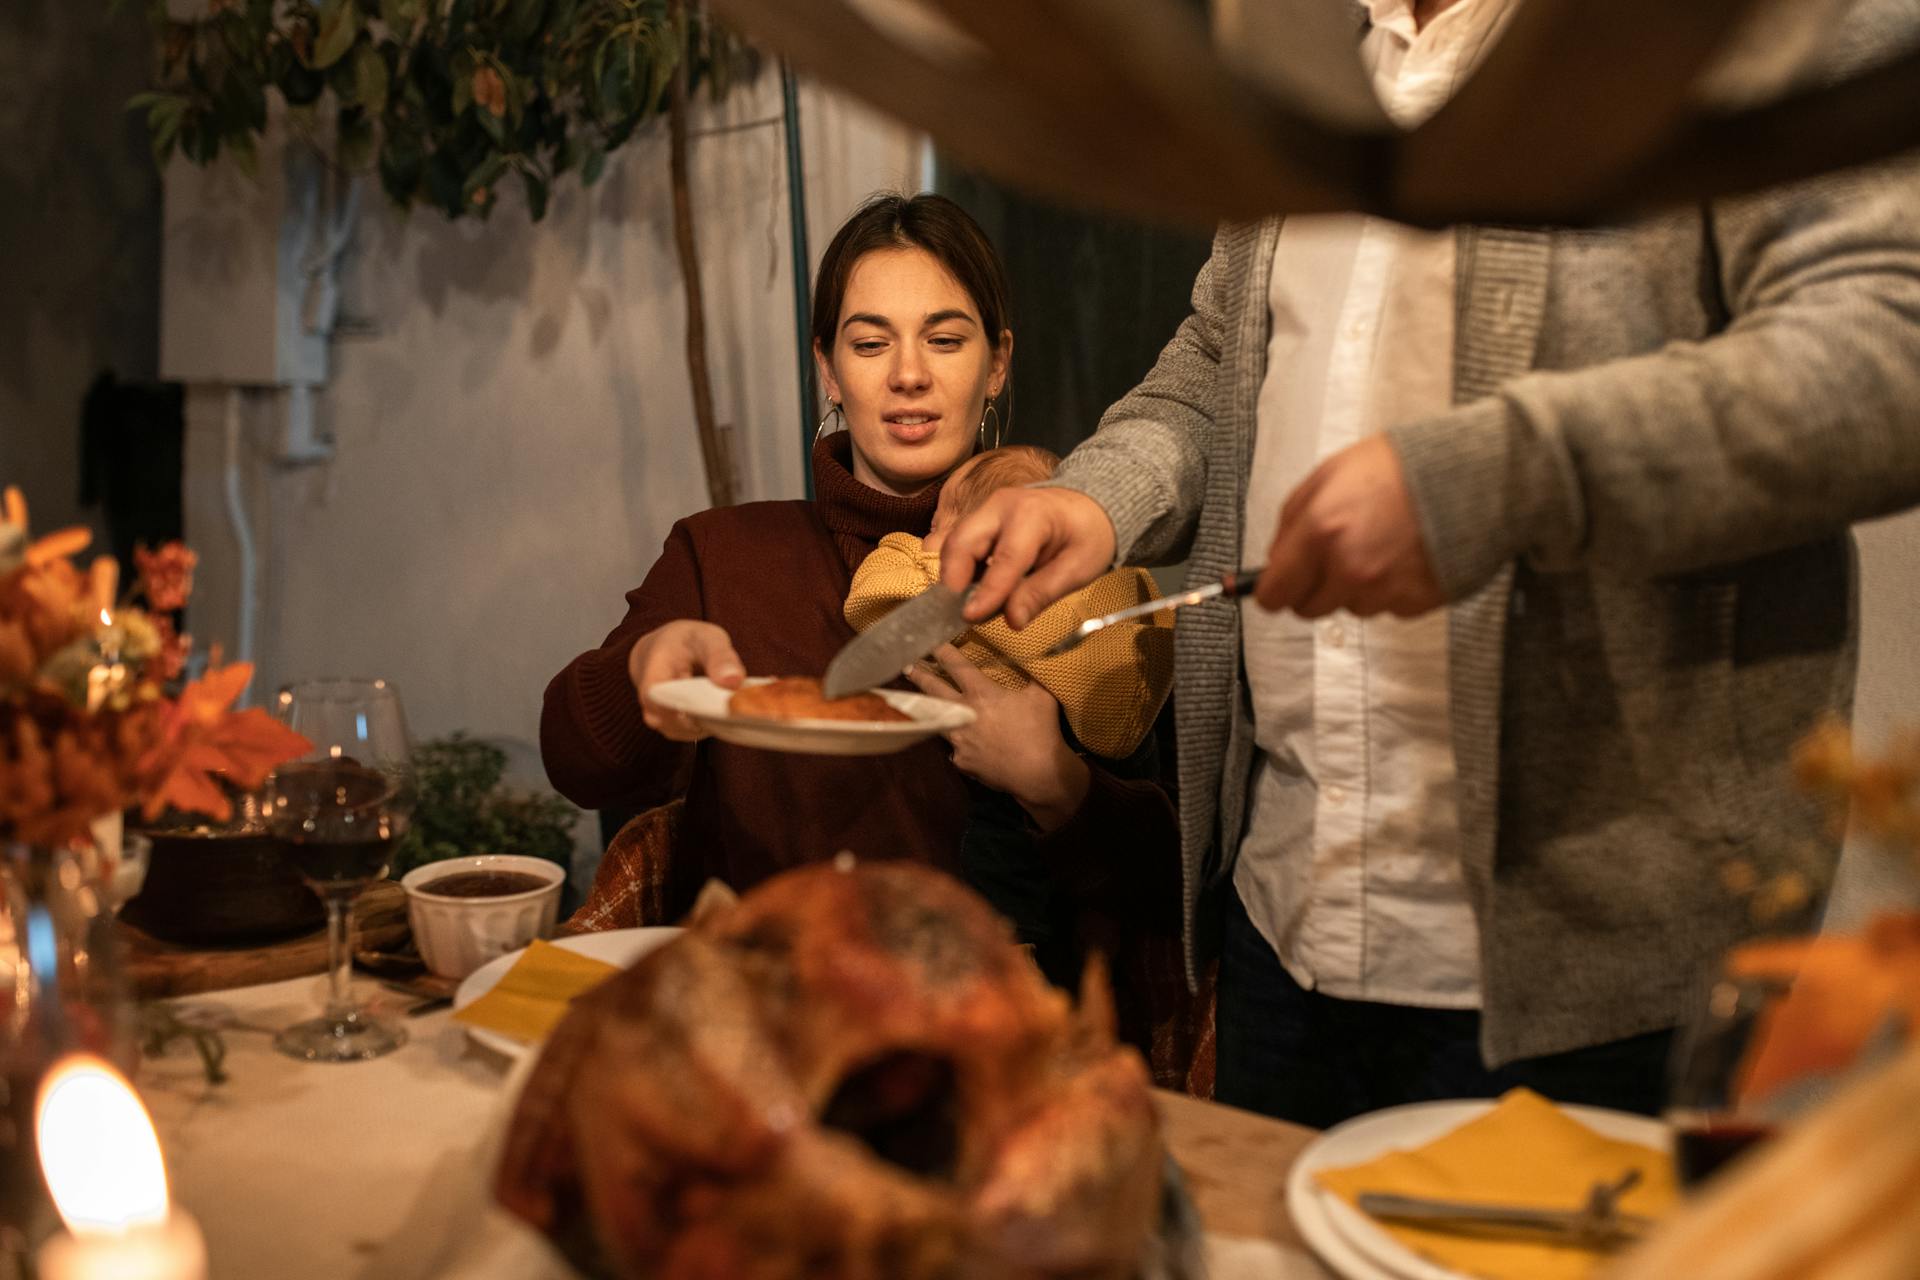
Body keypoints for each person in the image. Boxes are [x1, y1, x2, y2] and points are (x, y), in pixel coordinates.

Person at [936, 0, 1920, 1126]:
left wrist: (1497, 471)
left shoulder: (1738, 26)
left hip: (1605, 983)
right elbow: (1224, 359)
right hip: (1285, 918)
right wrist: (1096, 496)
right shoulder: (1302, 43)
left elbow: (1885, 354)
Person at [539, 193, 1178, 937]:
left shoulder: (1068, 563)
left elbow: (1167, 904)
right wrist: (640, 670)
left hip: (992, 1024)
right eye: (871, 344)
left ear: (998, 363)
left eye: (944, 340)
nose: (908, 374)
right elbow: (577, 765)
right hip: (760, 1017)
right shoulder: (723, 556)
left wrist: (1059, 789)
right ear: (829, 371)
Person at [845, 444, 1176, 977]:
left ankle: (1011, 943)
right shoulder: (1111, 595)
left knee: (997, 845)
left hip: (1044, 776)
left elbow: (875, 596)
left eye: (935, 523)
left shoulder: (959, 584)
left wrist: (909, 548)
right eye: (870, 350)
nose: (909, 375)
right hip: (1107, 735)